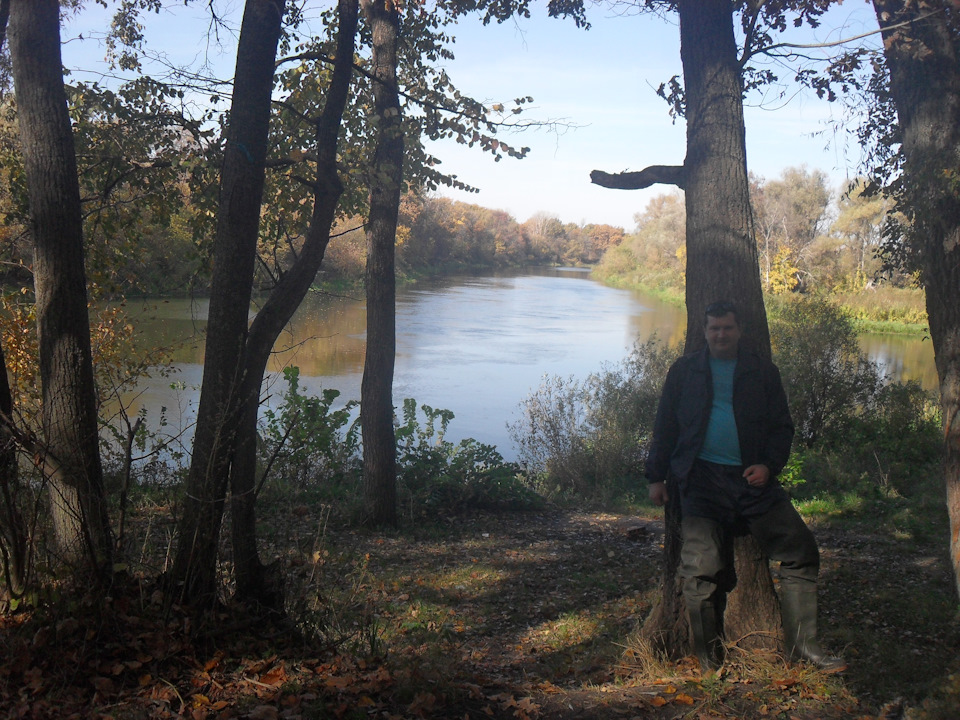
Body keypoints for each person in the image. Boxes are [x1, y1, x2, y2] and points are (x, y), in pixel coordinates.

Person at [646, 301, 845, 673]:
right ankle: (709, 662)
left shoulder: (762, 372)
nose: (721, 335)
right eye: (714, 329)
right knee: (701, 572)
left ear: (740, 330)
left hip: (751, 481)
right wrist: (655, 476)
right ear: (704, 332)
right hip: (700, 482)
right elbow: (664, 426)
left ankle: (803, 648)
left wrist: (769, 465)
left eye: (727, 328)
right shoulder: (684, 371)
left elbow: (781, 427)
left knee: (800, 552)